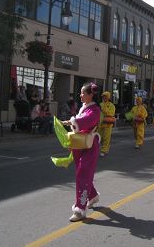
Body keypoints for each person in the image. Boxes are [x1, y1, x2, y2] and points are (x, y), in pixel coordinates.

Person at [61, 82, 101, 222]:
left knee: (82, 174)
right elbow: (79, 123)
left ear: (91, 95)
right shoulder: (85, 108)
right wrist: (70, 122)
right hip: (82, 145)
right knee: (83, 173)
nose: (81, 95)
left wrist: (74, 121)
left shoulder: (95, 110)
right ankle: (92, 195)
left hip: (89, 147)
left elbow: (83, 122)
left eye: (83, 93)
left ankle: (80, 209)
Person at [98, 91, 116, 157]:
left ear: (108, 97)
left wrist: (104, 110)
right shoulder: (100, 104)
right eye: (103, 96)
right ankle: (100, 148)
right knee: (99, 137)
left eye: (105, 96)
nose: (104, 98)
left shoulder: (111, 105)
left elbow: (111, 114)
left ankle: (104, 150)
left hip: (108, 124)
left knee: (106, 138)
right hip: (100, 124)